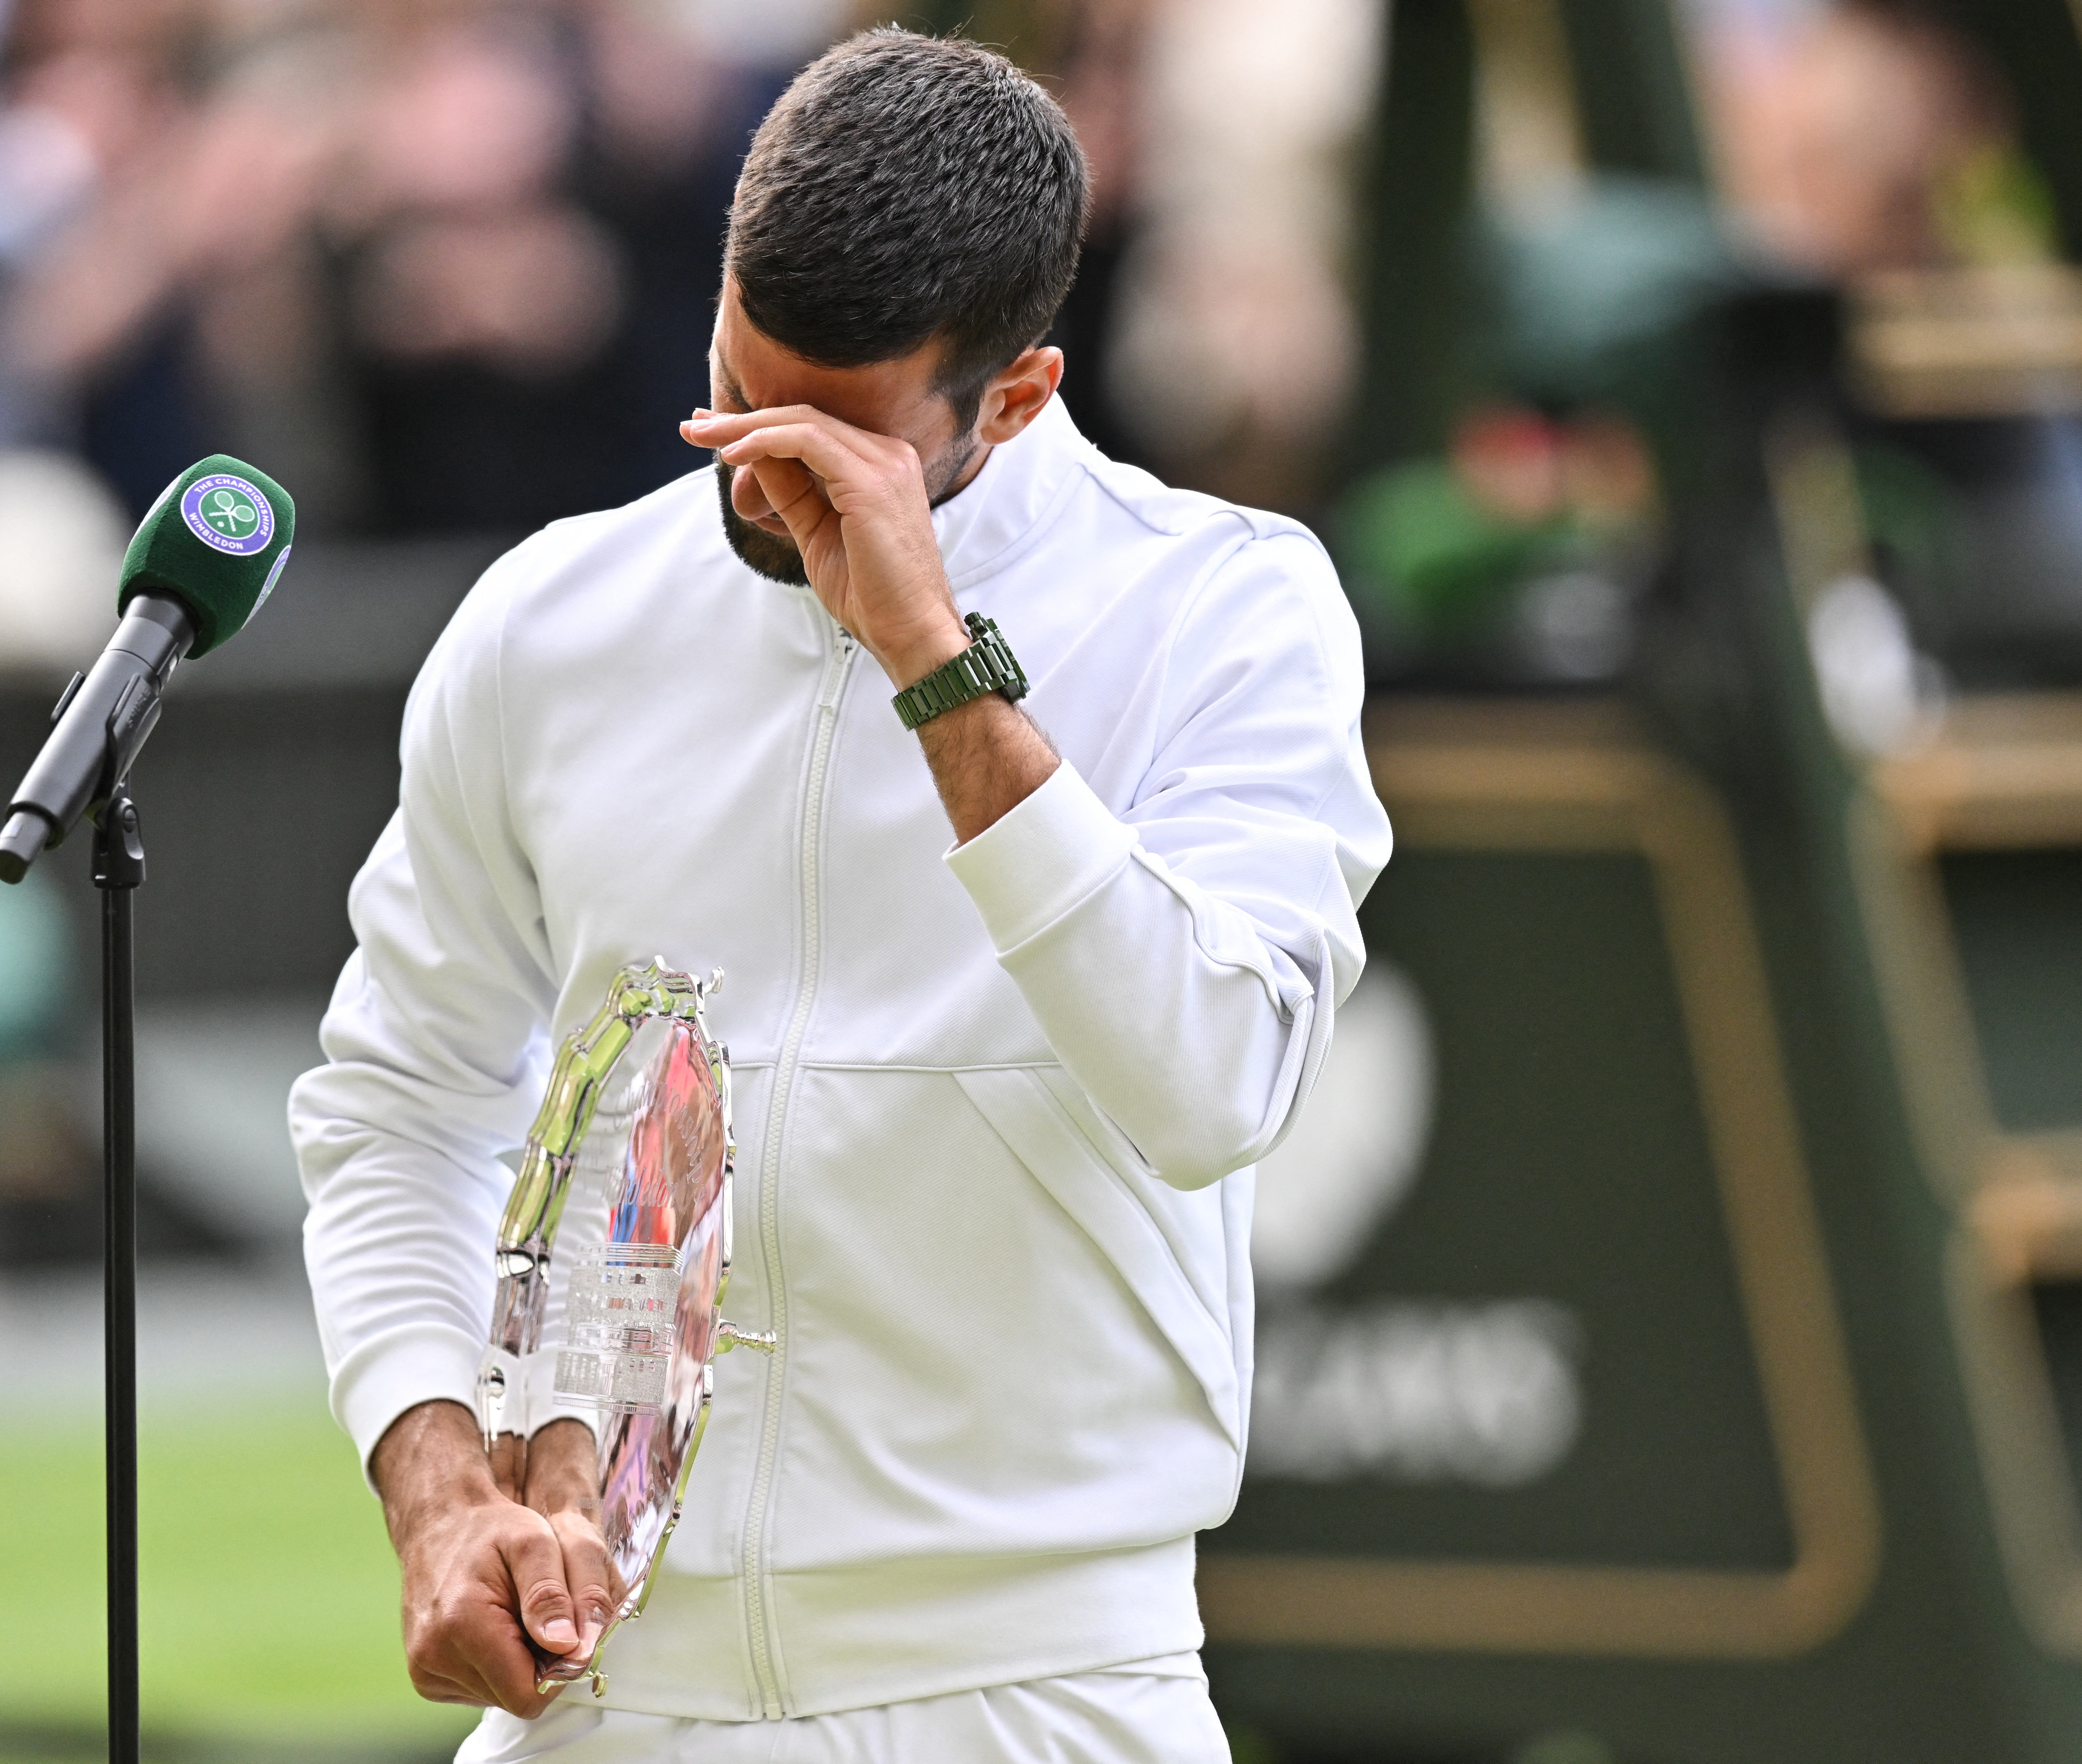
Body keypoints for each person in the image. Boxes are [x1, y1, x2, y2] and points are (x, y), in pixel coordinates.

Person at [290, 28, 1387, 1762]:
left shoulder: (1229, 607)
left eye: (836, 437)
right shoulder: (548, 619)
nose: (756, 472)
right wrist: (436, 1486)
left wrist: (934, 662)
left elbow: (1210, 1083)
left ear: (1016, 394)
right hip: (614, 1679)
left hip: (1042, 1686)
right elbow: (397, 1101)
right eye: (738, 382)